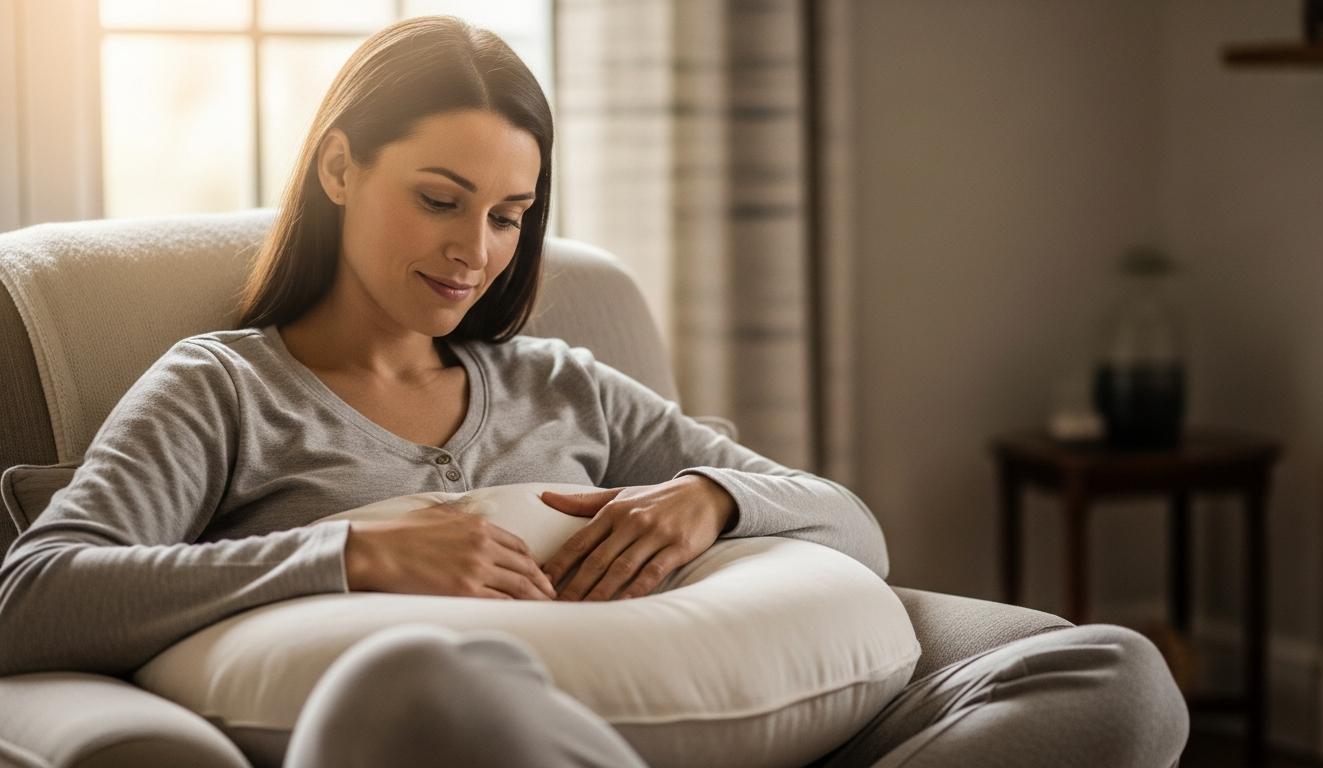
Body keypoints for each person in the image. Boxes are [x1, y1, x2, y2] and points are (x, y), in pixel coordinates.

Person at [0, 15, 1189, 768]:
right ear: (338, 165)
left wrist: (712, 501)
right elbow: (31, 600)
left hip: (720, 727)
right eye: (439, 197)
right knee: (411, 695)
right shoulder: (224, 387)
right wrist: (349, 555)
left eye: (510, 216)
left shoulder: (560, 384)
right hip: (483, 739)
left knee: (1113, 678)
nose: (477, 250)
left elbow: (852, 528)